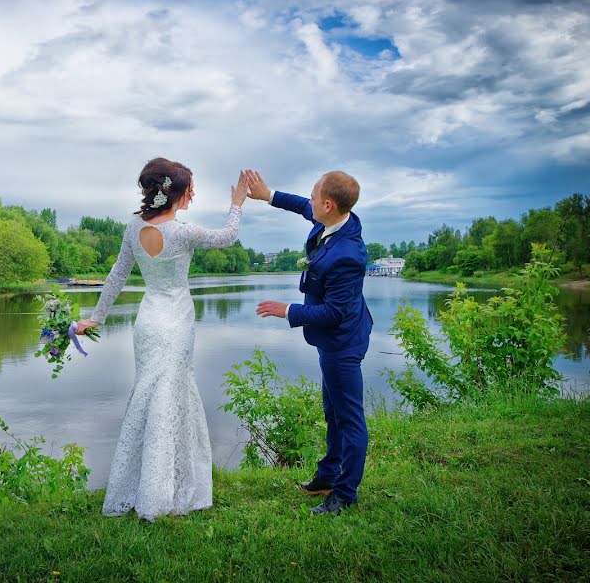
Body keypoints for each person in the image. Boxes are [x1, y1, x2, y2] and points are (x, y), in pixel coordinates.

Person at [74, 157, 248, 521]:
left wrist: (95, 318)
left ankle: (145, 483)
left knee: (151, 394)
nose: (194, 194)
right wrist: (237, 203)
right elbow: (228, 237)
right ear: (176, 193)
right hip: (178, 321)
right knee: (172, 394)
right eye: (191, 189)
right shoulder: (183, 233)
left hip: (149, 321)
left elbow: (117, 275)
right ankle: (163, 489)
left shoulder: (133, 227)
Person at [243, 169, 373, 515]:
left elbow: (334, 313)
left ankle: (344, 495)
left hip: (342, 342)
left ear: (329, 204)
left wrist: (288, 310)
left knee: (349, 419)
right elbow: (301, 206)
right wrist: (267, 195)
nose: (310, 199)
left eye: (315, 196)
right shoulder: (331, 221)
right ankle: (328, 474)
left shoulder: (348, 255)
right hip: (329, 342)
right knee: (332, 412)